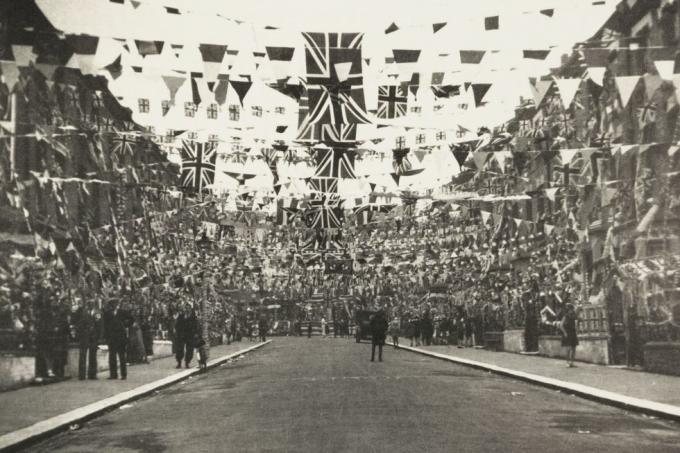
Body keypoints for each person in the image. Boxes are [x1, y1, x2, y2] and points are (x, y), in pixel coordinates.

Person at [103, 298, 133, 380]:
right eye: (112, 304)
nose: (114, 305)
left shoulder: (122, 312)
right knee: (112, 357)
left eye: (115, 304)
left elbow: (131, 319)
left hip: (121, 337)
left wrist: (125, 324)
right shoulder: (107, 313)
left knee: (122, 357)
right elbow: (105, 326)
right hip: (112, 337)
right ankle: (113, 374)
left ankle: (123, 374)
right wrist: (106, 337)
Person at [76, 304, 101, 380]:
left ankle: (92, 374)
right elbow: (79, 324)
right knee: (83, 355)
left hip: (93, 337)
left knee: (93, 356)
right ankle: (81, 375)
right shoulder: (82, 312)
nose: (90, 303)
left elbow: (100, 325)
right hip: (84, 337)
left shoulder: (97, 313)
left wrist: (99, 336)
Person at [175, 304, 199, 369]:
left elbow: (196, 325)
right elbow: (177, 324)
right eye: (186, 308)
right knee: (179, 348)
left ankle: (187, 362)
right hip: (182, 334)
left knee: (190, 349)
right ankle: (179, 362)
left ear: (190, 309)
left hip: (190, 334)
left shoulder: (193, 316)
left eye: (188, 308)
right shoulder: (181, 315)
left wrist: (196, 333)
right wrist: (178, 332)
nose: (187, 309)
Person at [560, 303, 580, 367]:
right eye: (570, 309)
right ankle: (567, 362)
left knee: (574, 348)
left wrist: (576, 331)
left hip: (573, 333)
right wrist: (565, 333)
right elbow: (561, 325)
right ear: (568, 310)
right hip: (568, 333)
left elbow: (577, 322)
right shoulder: (565, 316)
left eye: (572, 309)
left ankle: (572, 362)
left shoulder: (574, 316)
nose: (571, 310)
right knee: (568, 348)